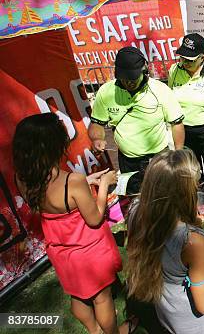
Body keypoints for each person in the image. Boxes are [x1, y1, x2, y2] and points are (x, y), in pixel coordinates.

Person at [13, 113, 123, 334]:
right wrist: (103, 185)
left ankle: (94, 330)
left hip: (62, 251)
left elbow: (53, 203)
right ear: (55, 145)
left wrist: (87, 182)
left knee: (79, 297)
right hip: (89, 250)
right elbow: (94, 218)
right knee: (102, 299)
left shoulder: (22, 178)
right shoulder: (73, 181)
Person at [126, 150, 204, 334]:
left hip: (169, 314)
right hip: (200, 325)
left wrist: (193, 222)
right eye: (196, 185)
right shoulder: (193, 242)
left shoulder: (136, 212)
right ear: (186, 192)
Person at [89, 47, 185, 177]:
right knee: (134, 196)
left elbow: (177, 124)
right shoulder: (106, 92)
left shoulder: (160, 90)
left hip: (158, 157)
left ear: (144, 71)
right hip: (127, 161)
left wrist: (178, 154)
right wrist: (97, 138)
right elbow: (97, 123)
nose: (129, 82)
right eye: (124, 79)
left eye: (133, 79)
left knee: (162, 194)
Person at [168, 33, 204, 218]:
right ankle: (195, 203)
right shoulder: (173, 71)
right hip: (183, 131)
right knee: (190, 172)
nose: (184, 62)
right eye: (182, 57)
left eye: (190, 60)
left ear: (202, 57)